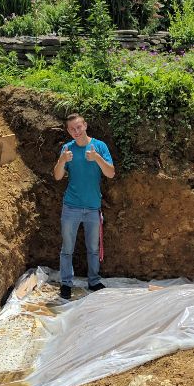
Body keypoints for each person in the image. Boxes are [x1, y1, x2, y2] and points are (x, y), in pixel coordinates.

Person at [53, 113, 115, 300]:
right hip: (71, 207)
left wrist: (96, 157)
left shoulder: (99, 147)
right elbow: (57, 176)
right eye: (72, 129)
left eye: (79, 127)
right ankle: (66, 284)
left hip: (93, 207)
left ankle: (94, 281)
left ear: (85, 125)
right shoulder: (67, 149)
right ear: (68, 131)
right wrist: (62, 160)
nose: (76, 131)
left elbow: (110, 173)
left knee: (93, 248)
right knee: (67, 248)